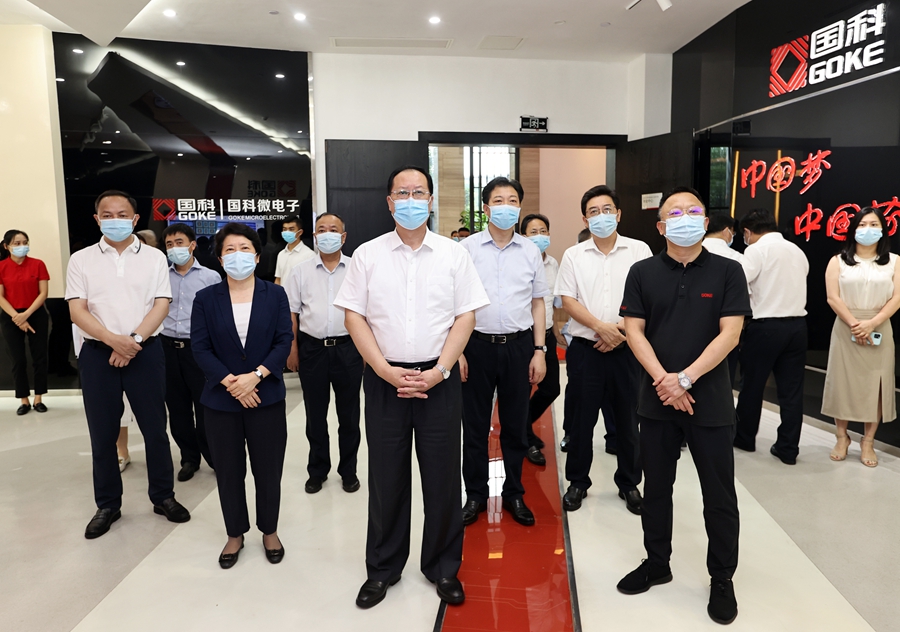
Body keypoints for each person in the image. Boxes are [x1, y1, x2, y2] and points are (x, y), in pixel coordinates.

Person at [334, 165, 488, 609]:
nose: (411, 199)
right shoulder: (367, 255)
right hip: (385, 380)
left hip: (439, 381)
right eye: (402, 193)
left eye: (419, 192)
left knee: (442, 479)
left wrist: (440, 370)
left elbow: (466, 316)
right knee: (386, 479)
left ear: (431, 200)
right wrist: (383, 369)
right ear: (389, 202)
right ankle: (383, 568)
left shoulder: (454, 254)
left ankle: (443, 567)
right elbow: (353, 316)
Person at [616, 186, 750, 626]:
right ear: (660, 227)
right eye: (675, 213)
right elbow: (634, 331)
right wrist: (665, 381)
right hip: (657, 400)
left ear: (706, 223)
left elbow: (730, 334)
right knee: (656, 488)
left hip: (710, 402)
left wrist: (685, 379)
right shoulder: (642, 271)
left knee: (719, 495)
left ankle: (722, 578)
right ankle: (657, 563)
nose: (685, 217)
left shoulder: (729, 271)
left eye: (693, 211)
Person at [66, 190, 190, 539]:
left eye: (123, 214)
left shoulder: (154, 258)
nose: (115, 220)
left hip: (145, 351)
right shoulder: (81, 260)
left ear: (135, 219)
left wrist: (132, 342)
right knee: (102, 433)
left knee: (155, 428)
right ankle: (108, 504)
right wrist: (113, 340)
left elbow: (161, 304)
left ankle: (163, 496)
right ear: (97, 219)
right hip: (97, 353)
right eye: (107, 215)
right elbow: (77, 310)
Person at [191, 222, 293, 569]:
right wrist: (231, 383)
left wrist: (256, 376)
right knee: (229, 471)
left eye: (244, 248)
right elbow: (200, 347)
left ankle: (269, 530)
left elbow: (283, 341)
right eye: (230, 250)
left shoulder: (275, 295)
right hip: (221, 401)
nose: (238, 255)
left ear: (257, 255)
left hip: (266, 396)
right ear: (220, 259)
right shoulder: (206, 298)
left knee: (268, 469)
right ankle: (234, 533)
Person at [555, 185, 652, 515]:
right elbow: (568, 300)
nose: (601, 216)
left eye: (607, 209)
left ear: (618, 214)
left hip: (627, 349)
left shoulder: (639, 250)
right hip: (586, 350)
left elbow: (648, 298)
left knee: (628, 420)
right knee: (581, 421)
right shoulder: (574, 255)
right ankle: (577, 482)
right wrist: (601, 327)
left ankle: (629, 483)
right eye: (593, 212)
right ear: (585, 219)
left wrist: (619, 331)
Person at [459, 176, 548, 528]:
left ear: (520, 207)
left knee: (515, 426)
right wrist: (457, 351)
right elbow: (454, 303)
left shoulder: (530, 251)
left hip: (519, 347)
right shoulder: (466, 249)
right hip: (476, 346)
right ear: (486, 208)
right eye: (498, 200)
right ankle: (476, 494)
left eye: (513, 200)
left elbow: (538, 303)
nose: (506, 207)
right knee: (475, 426)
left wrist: (539, 350)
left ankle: (514, 493)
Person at [285, 213, 363, 494]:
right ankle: (317, 470)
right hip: (312, 349)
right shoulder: (300, 271)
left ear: (343, 237)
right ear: (315, 236)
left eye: (333, 230)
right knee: (315, 415)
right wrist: (293, 349)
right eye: (321, 230)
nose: (327, 234)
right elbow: (292, 314)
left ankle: (349, 471)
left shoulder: (357, 269)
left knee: (349, 416)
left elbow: (369, 313)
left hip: (349, 349)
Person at [822, 207, 900, 467]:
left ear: (883, 230)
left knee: (875, 385)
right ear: (853, 229)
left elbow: (897, 298)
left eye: (874, 224)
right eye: (862, 224)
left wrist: (873, 323)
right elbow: (832, 297)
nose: (868, 229)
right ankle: (841, 437)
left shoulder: (895, 261)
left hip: (880, 326)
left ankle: (868, 441)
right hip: (846, 327)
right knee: (843, 382)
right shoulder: (838, 261)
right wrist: (855, 324)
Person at [734, 209, 809, 464]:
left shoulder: (756, 251)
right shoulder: (796, 250)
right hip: (797, 327)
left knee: (752, 386)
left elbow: (739, 283)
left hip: (765, 327)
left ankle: (744, 438)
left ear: (747, 231)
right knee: (791, 391)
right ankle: (788, 448)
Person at [161, 223, 221, 481]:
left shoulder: (210, 277)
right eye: (169, 244)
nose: (175, 248)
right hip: (167, 348)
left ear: (192, 245)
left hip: (198, 349)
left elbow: (218, 316)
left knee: (205, 406)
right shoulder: (161, 277)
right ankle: (189, 458)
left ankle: (214, 456)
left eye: (180, 243)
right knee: (177, 408)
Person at [520, 213, 561, 466]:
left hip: (546, 336)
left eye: (543, 231)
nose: (539, 236)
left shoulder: (553, 263)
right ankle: (525, 439)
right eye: (533, 232)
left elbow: (551, 303)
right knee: (522, 390)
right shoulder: (518, 262)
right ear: (523, 236)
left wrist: (555, 331)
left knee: (551, 388)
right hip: (524, 337)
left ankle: (522, 426)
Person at [0, 230, 50, 415]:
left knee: (40, 357)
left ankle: (38, 398)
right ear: (6, 246)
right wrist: (17, 317)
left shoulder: (38, 264)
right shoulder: (1, 267)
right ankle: (24, 400)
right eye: (17, 243)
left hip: (35, 314)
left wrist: (26, 315)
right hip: (10, 316)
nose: (22, 246)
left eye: (25, 242)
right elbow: (0, 297)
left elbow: (43, 293)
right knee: (18, 359)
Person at [703, 213, 745, 385]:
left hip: (690, 329)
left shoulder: (689, 254)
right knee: (723, 380)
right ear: (727, 230)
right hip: (727, 328)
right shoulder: (738, 259)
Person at [274, 214, 315, 286]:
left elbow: (312, 281)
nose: (287, 232)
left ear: (300, 232)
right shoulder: (281, 254)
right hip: (282, 293)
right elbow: (278, 279)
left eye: (291, 229)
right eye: (284, 229)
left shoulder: (309, 255)